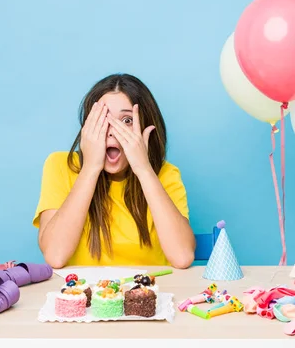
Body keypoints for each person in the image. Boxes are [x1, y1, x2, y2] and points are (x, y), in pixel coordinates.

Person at [32, 73, 196, 269]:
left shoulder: (165, 174)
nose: (112, 130)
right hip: (85, 296)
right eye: (103, 119)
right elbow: (55, 255)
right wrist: (91, 168)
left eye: (127, 120)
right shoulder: (61, 165)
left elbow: (182, 257)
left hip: (148, 295)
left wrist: (143, 169)